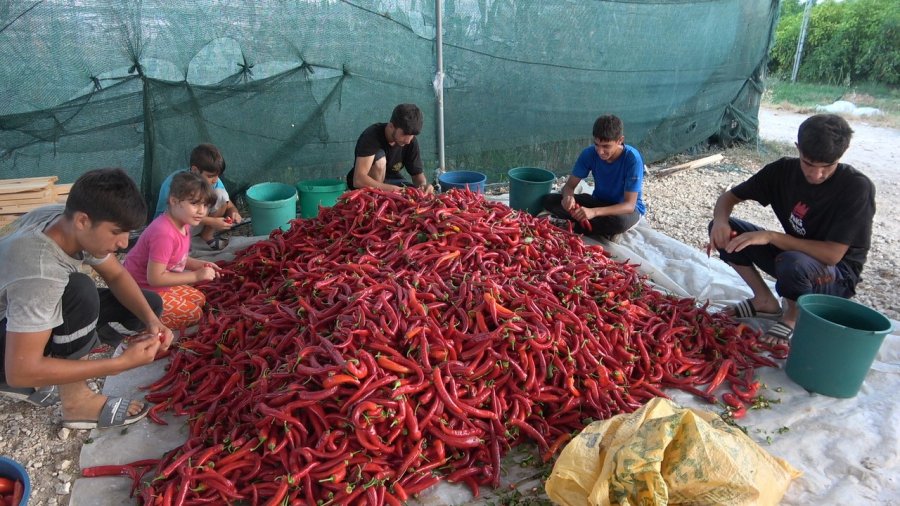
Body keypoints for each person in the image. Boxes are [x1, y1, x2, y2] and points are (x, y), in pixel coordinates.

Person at [0, 168, 174, 429]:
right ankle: (77, 403)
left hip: (15, 312)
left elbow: (116, 276)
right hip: (9, 341)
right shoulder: (40, 273)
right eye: (117, 232)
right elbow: (20, 371)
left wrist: (152, 321)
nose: (124, 243)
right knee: (80, 292)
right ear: (82, 221)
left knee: (148, 306)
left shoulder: (61, 221)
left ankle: (61, 355)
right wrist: (116, 365)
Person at [709, 114, 875, 345]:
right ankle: (764, 300)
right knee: (731, 232)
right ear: (798, 148)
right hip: (794, 260)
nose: (816, 174)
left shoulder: (856, 187)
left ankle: (792, 316)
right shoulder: (781, 171)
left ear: (842, 155)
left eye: (827, 167)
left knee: (793, 262)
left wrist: (769, 237)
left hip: (836, 274)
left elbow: (832, 255)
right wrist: (719, 222)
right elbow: (729, 197)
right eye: (808, 163)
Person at [125, 172, 221, 332]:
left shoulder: (184, 223)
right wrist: (196, 276)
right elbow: (155, 278)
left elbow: (178, 258)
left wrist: (200, 265)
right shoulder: (164, 233)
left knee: (200, 299)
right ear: (174, 201)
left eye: (205, 205)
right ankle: (136, 319)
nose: (201, 211)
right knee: (194, 314)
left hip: (152, 285)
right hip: (139, 291)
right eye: (195, 204)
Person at [542, 115, 646, 238]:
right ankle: (591, 227)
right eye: (597, 144)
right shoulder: (589, 153)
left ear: (620, 140)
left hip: (623, 209)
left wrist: (594, 212)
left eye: (606, 146)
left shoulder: (632, 158)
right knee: (548, 199)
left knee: (619, 223)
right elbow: (569, 186)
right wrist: (568, 197)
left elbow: (629, 205)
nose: (600, 151)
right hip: (598, 201)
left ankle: (574, 225)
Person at [155, 144, 242, 250]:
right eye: (210, 176)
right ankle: (180, 244)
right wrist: (212, 221)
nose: (215, 180)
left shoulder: (214, 181)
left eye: (217, 175)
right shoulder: (178, 183)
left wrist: (234, 212)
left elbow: (227, 203)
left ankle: (207, 236)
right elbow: (177, 215)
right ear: (195, 170)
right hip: (170, 227)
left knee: (221, 194)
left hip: (194, 223)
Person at [346, 103, 434, 194]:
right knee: (380, 160)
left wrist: (423, 186)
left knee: (414, 193)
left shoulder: (410, 141)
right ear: (391, 126)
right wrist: (392, 190)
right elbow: (358, 180)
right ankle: (376, 200)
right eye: (404, 134)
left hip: (393, 181)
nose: (408, 140)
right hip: (365, 185)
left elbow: (417, 175)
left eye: (411, 135)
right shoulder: (371, 136)